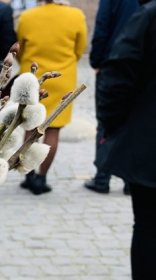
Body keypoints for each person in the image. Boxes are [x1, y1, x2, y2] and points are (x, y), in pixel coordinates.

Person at [97, 1, 156, 277]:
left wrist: (117, 129)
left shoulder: (150, 15)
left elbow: (116, 77)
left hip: (149, 146)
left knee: (148, 228)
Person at [16, 0, 87, 195]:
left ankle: (28, 174)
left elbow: (20, 49)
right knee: (53, 130)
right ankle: (41, 178)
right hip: (62, 78)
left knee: (30, 127)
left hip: (34, 78)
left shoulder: (27, 16)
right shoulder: (76, 16)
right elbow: (79, 49)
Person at [84, 0, 139, 195]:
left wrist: (96, 61)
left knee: (106, 121)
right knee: (134, 122)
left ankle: (102, 178)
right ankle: (129, 180)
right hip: (139, 66)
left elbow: (102, 28)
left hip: (112, 64)